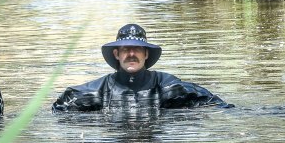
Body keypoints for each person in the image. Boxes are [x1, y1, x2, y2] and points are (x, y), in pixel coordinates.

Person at [52, 24, 231, 112]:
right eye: (125, 49)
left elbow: (215, 103)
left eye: (137, 49)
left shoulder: (166, 85)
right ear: (116, 54)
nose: (131, 54)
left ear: (146, 54)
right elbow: (59, 109)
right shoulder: (99, 90)